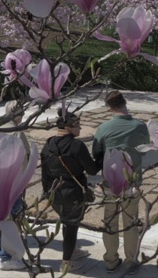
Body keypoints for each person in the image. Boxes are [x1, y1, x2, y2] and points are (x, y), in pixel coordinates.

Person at [92, 90, 150, 274]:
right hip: (132, 183)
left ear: (109, 107)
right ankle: (131, 261)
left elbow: (96, 154)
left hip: (110, 182)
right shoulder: (140, 126)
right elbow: (144, 150)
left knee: (110, 221)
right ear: (125, 102)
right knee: (131, 223)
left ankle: (110, 260)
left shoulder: (103, 128)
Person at [41, 110, 101, 272]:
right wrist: (102, 155)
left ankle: (72, 249)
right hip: (73, 193)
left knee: (66, 221)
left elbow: (44, 172)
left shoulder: (48, 144)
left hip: (54, 192)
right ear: (67, 127)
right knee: (72, 225)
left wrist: (46, 193)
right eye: (77, 126)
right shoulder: (77, 146)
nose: (80, 129)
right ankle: (66, 263)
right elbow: (93, 170)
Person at [0, 101, 30, 270]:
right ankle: (6, 258)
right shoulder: (16, 132)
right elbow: (24, 161)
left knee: (1, 219)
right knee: (10, 221)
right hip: (12, 184)